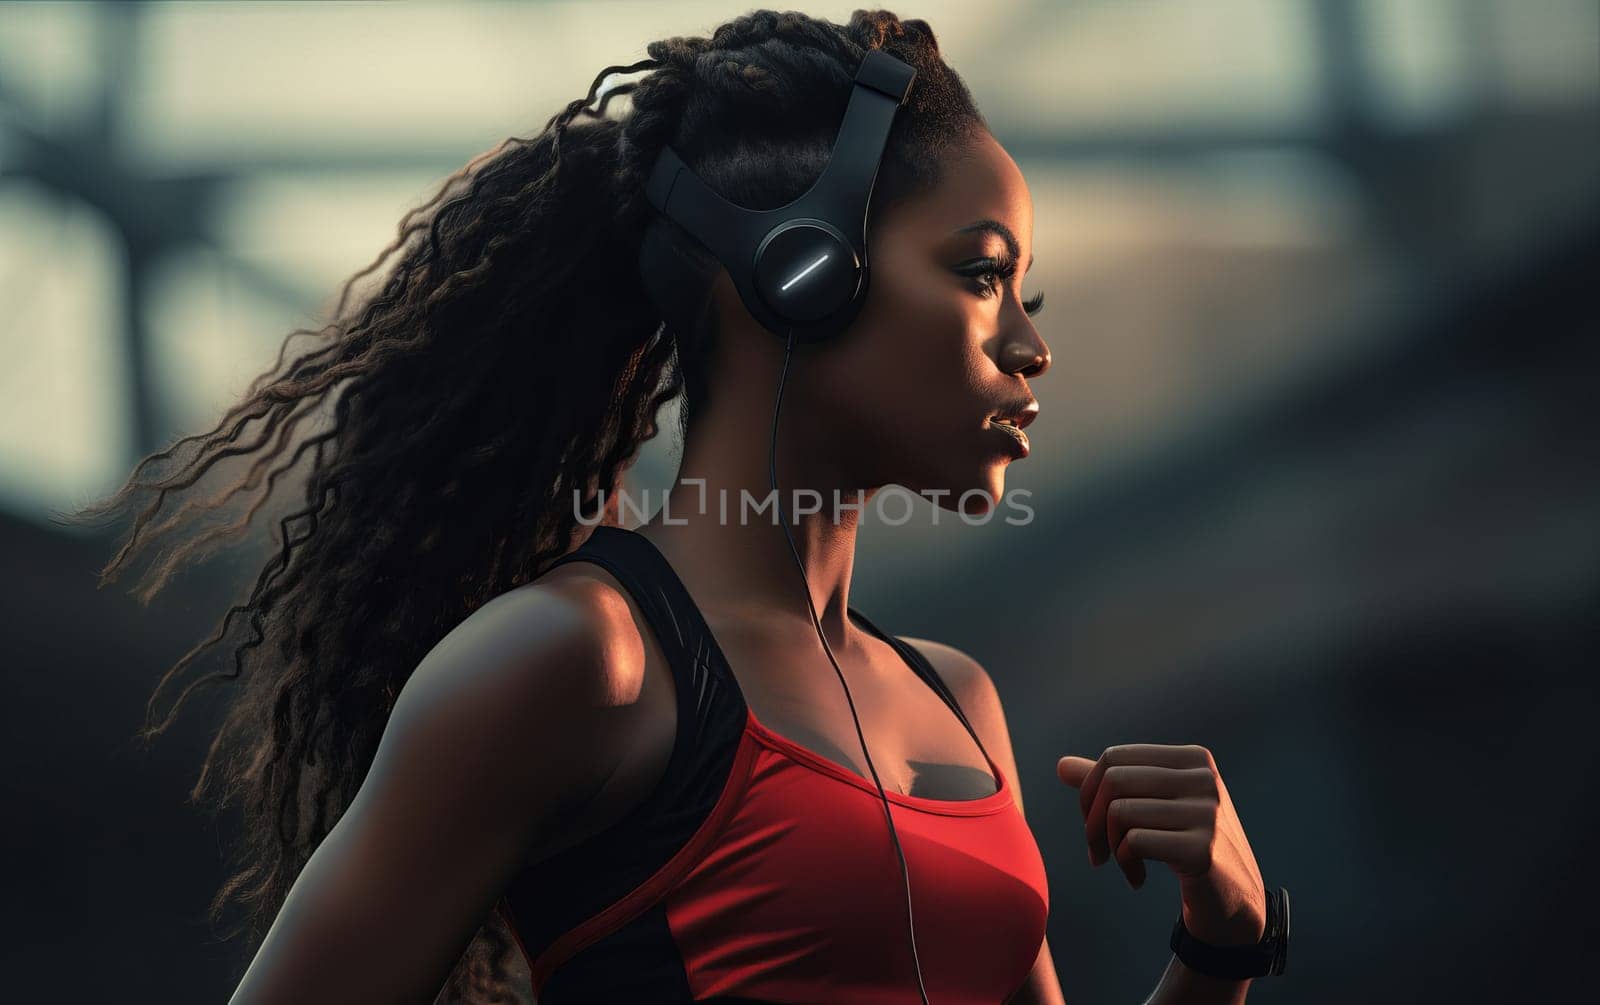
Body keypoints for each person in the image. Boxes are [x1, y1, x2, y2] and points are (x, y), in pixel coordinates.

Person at [79, 9, 1272, 1003]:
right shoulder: (576, 664)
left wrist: (1221, 938)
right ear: (800, 276)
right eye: (981, 275)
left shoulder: (956, 704)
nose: (1031, 347)